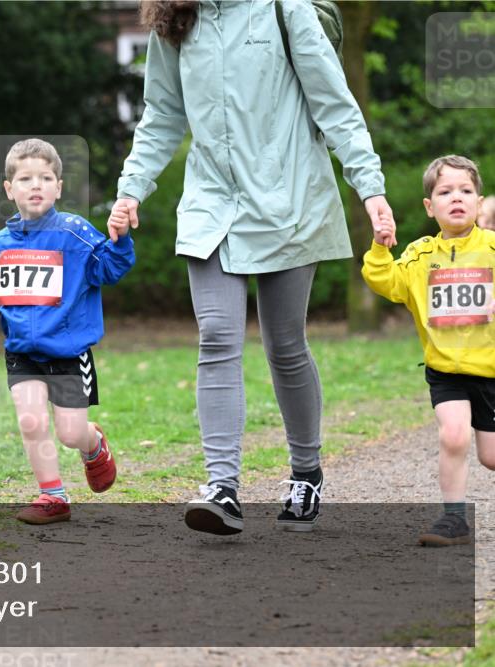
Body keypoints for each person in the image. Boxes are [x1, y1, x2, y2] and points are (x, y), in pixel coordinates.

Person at [109, 0, 396, 535]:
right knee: (217, 337)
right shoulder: (176, 20)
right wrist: (131, 190)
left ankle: (306, 473)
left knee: (284, 344)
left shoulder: (284, 10)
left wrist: (370, 186)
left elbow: (334, 103)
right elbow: (162, 115)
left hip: (289, 198)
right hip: (211, 204)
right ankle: (222, 487)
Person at [0, 138, 135, 524]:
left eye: (45, 177)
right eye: (25, 179)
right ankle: (53, 496)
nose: (35, 185)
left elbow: (109, 268)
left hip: (69, 354)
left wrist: (119, 239)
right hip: (21, 352)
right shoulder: (1, 244)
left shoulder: (74, 232)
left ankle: (94, 445)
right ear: (9, 189)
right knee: (32, 422)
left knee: (70, 433)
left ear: (59, 187)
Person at [362, 155, 495, 547]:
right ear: (429, 206)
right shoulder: (420, 255)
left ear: (479, 200)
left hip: (490, 370)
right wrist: (381, 247)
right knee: (453, 436)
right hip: (446, 371)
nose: (457, 198)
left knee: (490, 456)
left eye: (466, 191)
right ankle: (454, 519)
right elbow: (385, 280)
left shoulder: (492, 248)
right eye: (445, 191)